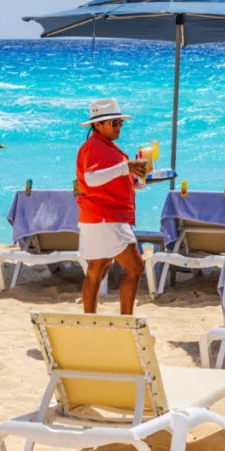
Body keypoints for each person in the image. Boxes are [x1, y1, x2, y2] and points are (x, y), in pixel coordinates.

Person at [76, 98, 148, 315]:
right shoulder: (95, 147)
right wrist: (126, 167)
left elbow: (110, 177)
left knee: (97, 269)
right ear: (97, 125)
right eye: (114, 123)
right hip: (107, 217)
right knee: (135, 268)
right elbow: (92, 179)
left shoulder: (103, 146)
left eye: (120, 122)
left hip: (95, 216)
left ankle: (90, 321)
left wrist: (136, 179)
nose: (119, 127)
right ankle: (126, 320)